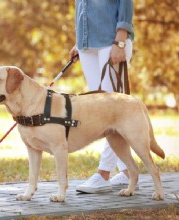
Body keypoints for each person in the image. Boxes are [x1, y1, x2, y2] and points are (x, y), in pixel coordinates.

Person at [69, 0, 135, 193]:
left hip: (111, 42)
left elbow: (125, 3)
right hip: (88, 46)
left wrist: (121, 41)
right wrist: (81, 40)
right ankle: (126, 171)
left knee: (111, 111)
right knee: (99, 110)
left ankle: (103, 173)